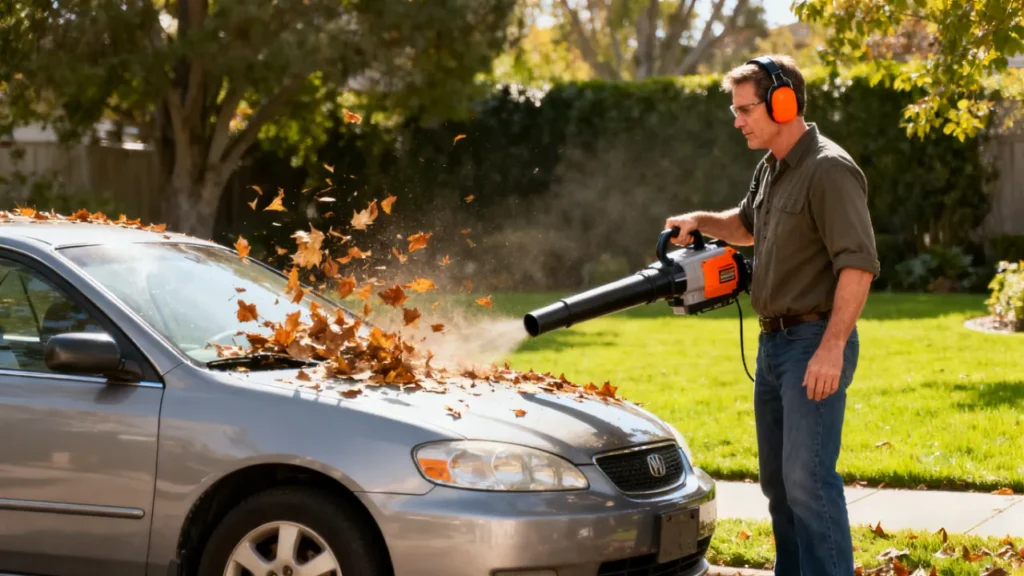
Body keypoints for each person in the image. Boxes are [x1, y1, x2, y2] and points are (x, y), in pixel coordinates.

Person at [665, 54, 879, 576]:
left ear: (783, 102)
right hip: (773, 346)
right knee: (779, 485)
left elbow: (858, 266)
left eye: (744, 110)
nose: (737, 120)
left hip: (813, 341)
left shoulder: (828, 169)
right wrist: (699, 220)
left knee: (808, 481)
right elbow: (745, 224)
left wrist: (831, 348)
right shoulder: (772, 168)